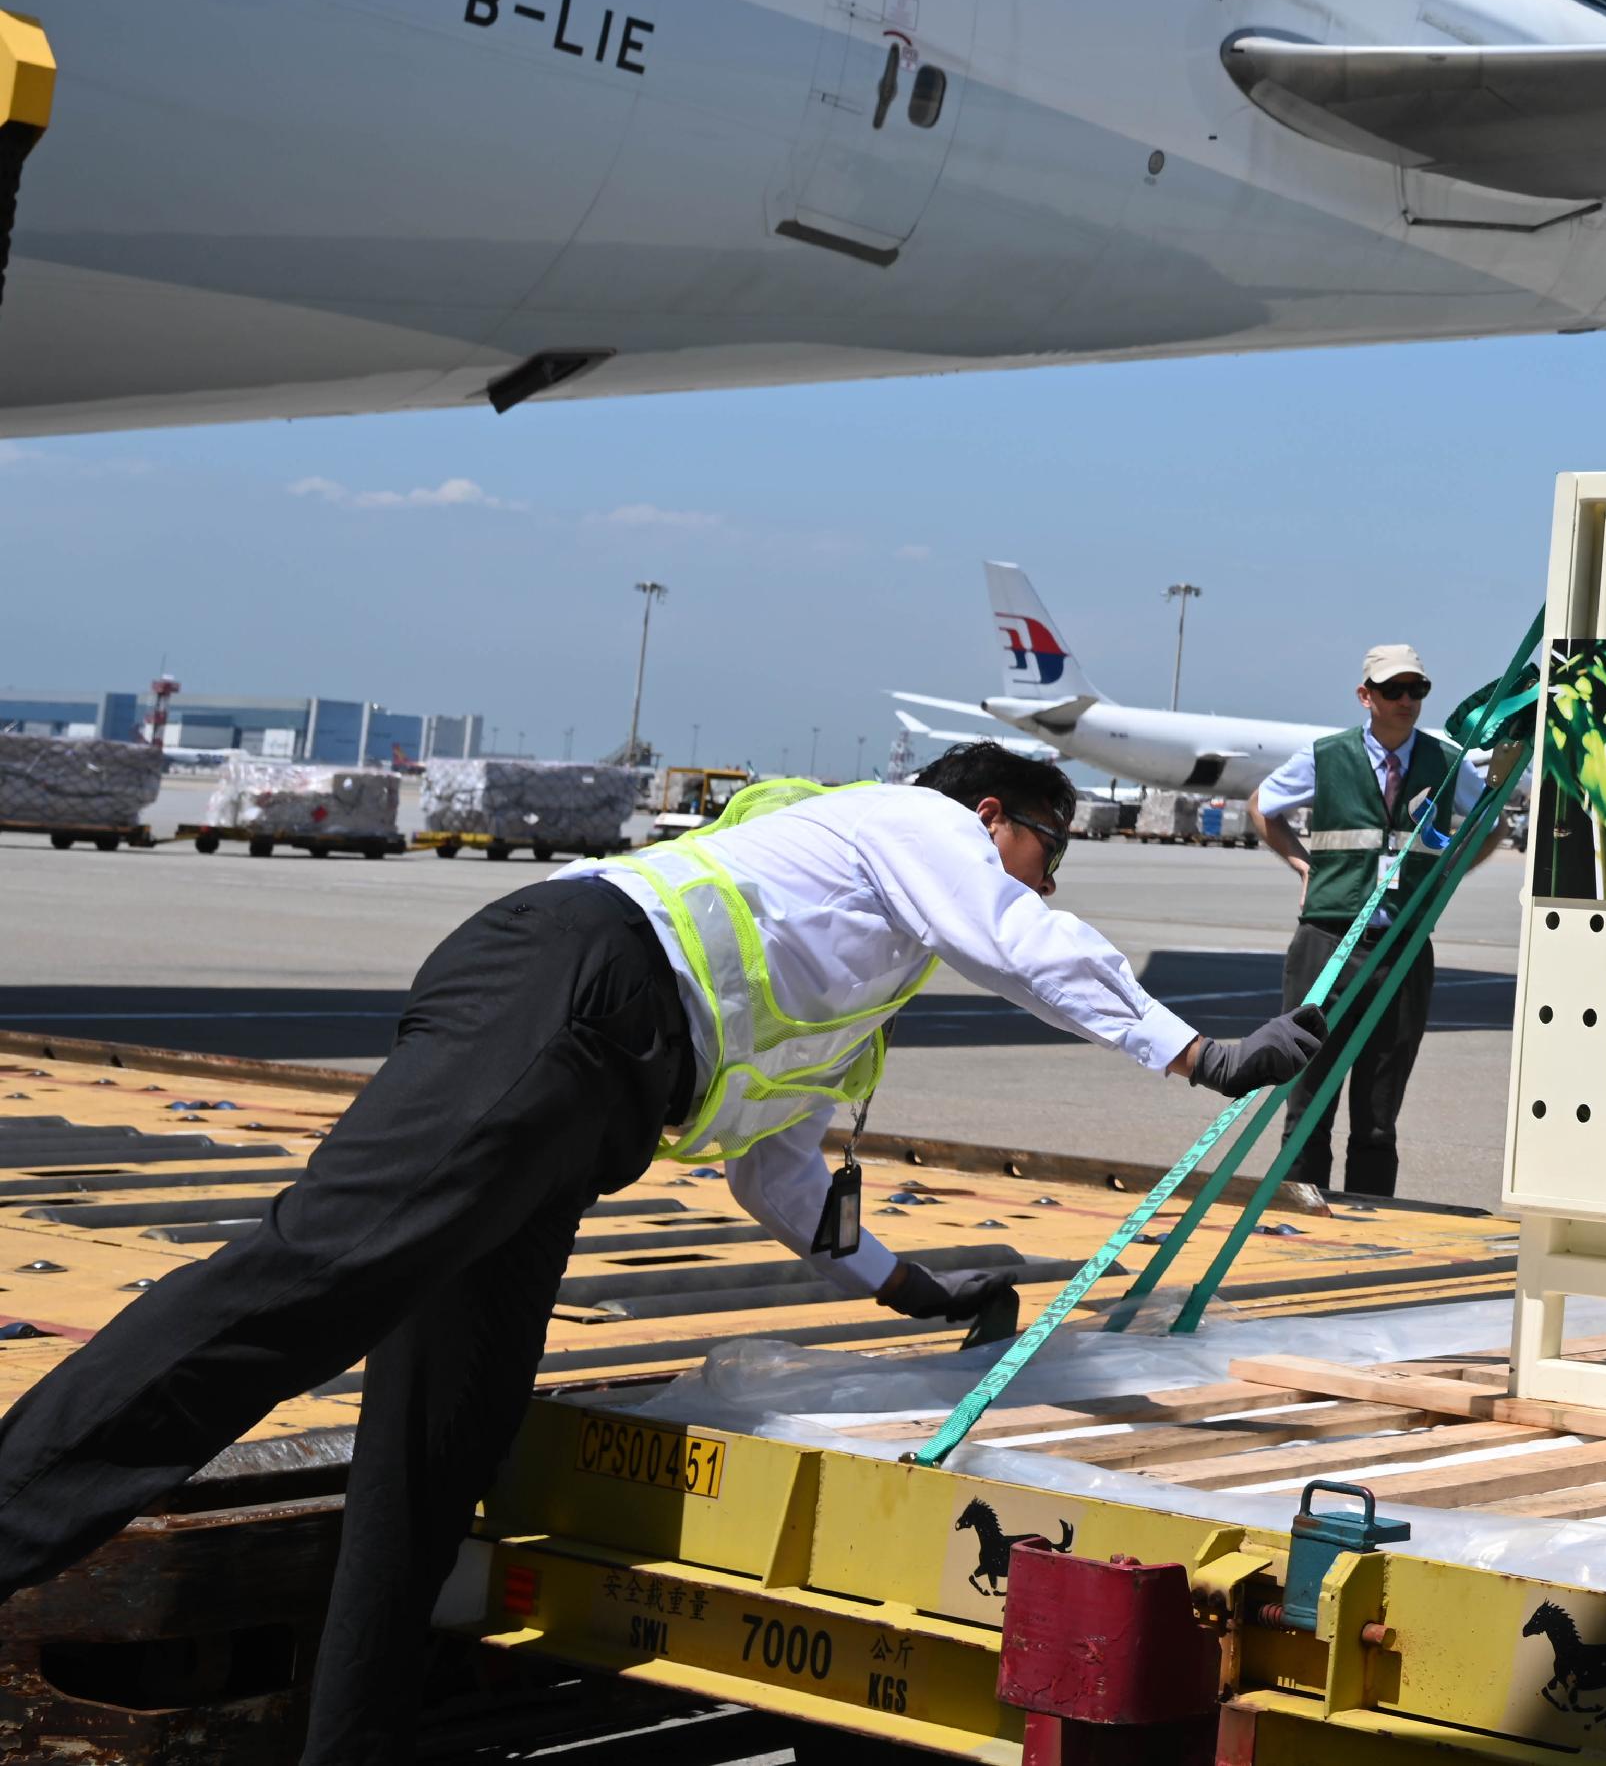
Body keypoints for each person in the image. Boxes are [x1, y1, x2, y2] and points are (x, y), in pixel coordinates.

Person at [0, 741, 1319, 1766]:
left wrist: (920, 1287)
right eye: (1049, 844)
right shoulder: (913, 819)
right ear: (989, 814)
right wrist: (1195, 1049)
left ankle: (352, 1744)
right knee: (320, 1276)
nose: (1048, 875)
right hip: (568, 990)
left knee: (443, 1435)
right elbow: (1020, 938)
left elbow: (780, 1170)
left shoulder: (850, 979)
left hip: (592, 1085)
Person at [1250, 642, 1485, 1201]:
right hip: (1326, 944)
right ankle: (1297, 1223)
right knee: (1307, 1101)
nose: (1407, 700)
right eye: (1393, 690)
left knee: (1379, 1114)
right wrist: (1301, 864)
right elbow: (1261, 806)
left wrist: (1447, 874)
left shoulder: (1446, 761)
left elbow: (1488, 817)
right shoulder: (1326, 757)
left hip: (1402, 950)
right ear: (1366, 696)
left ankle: (1371, 1219)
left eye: (1416, 690)